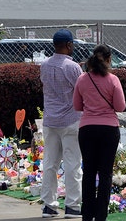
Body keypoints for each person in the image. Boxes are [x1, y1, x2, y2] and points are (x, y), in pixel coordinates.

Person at [73, 45, 126, 221]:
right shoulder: (113, 80)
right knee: (105, 174)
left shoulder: (82, 79)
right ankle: (101, 215)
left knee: (88, 172)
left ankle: (87, 214)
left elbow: (77, 106)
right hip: (109, 129)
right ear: (109, 59)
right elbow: (120, 107)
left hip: (87, 128)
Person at [39, 29, 83, 219]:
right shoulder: (73, 67)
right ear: (69, 45)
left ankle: (49, 206)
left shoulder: (44, 65)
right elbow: (81, 91)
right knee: (72, 163)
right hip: (71, 120)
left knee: (50, 163)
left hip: (50, 120)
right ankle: (72, 206)